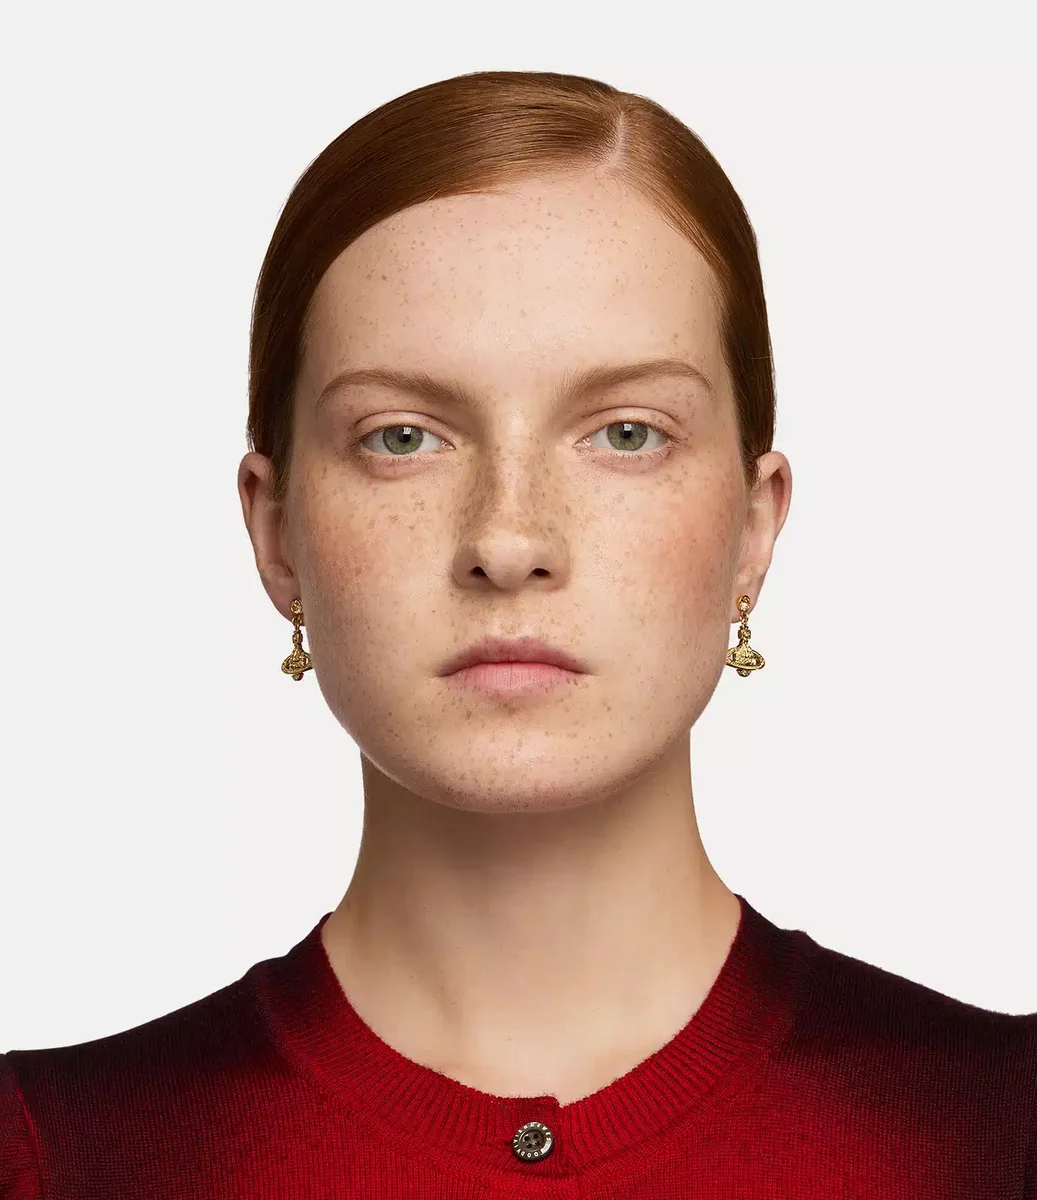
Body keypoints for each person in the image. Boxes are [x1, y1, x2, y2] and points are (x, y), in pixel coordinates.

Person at [2, 69, 1034, 1199]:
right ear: (277, 531)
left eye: (626, 433)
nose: (508, 539)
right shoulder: (58, 1153)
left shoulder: (996, 1131)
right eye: (402, 437)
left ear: (751, 526)